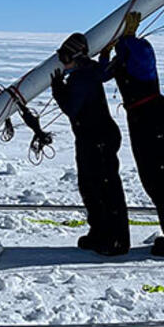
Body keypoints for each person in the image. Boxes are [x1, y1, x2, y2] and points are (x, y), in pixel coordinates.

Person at [99, 12, 164, 256]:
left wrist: (128, 39)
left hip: (152, 117)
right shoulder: (125, 57)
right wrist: (106, 52)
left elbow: (139, 58)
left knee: (158, 179)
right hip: (141, 118)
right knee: (152, 179)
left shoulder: (141, 51)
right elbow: (103, 74)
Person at [50, 32, 130, 256]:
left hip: (98, 138)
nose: (63, 62)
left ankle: (116, 240)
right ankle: (100, 233)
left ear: (75, 56)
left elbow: (71, 108)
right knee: (89, 187)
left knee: (105, 188)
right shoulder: (89, 71)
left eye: (65, 57)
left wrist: (59, 90)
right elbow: (104, 71)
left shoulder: (81, 77)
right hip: (91, 138)